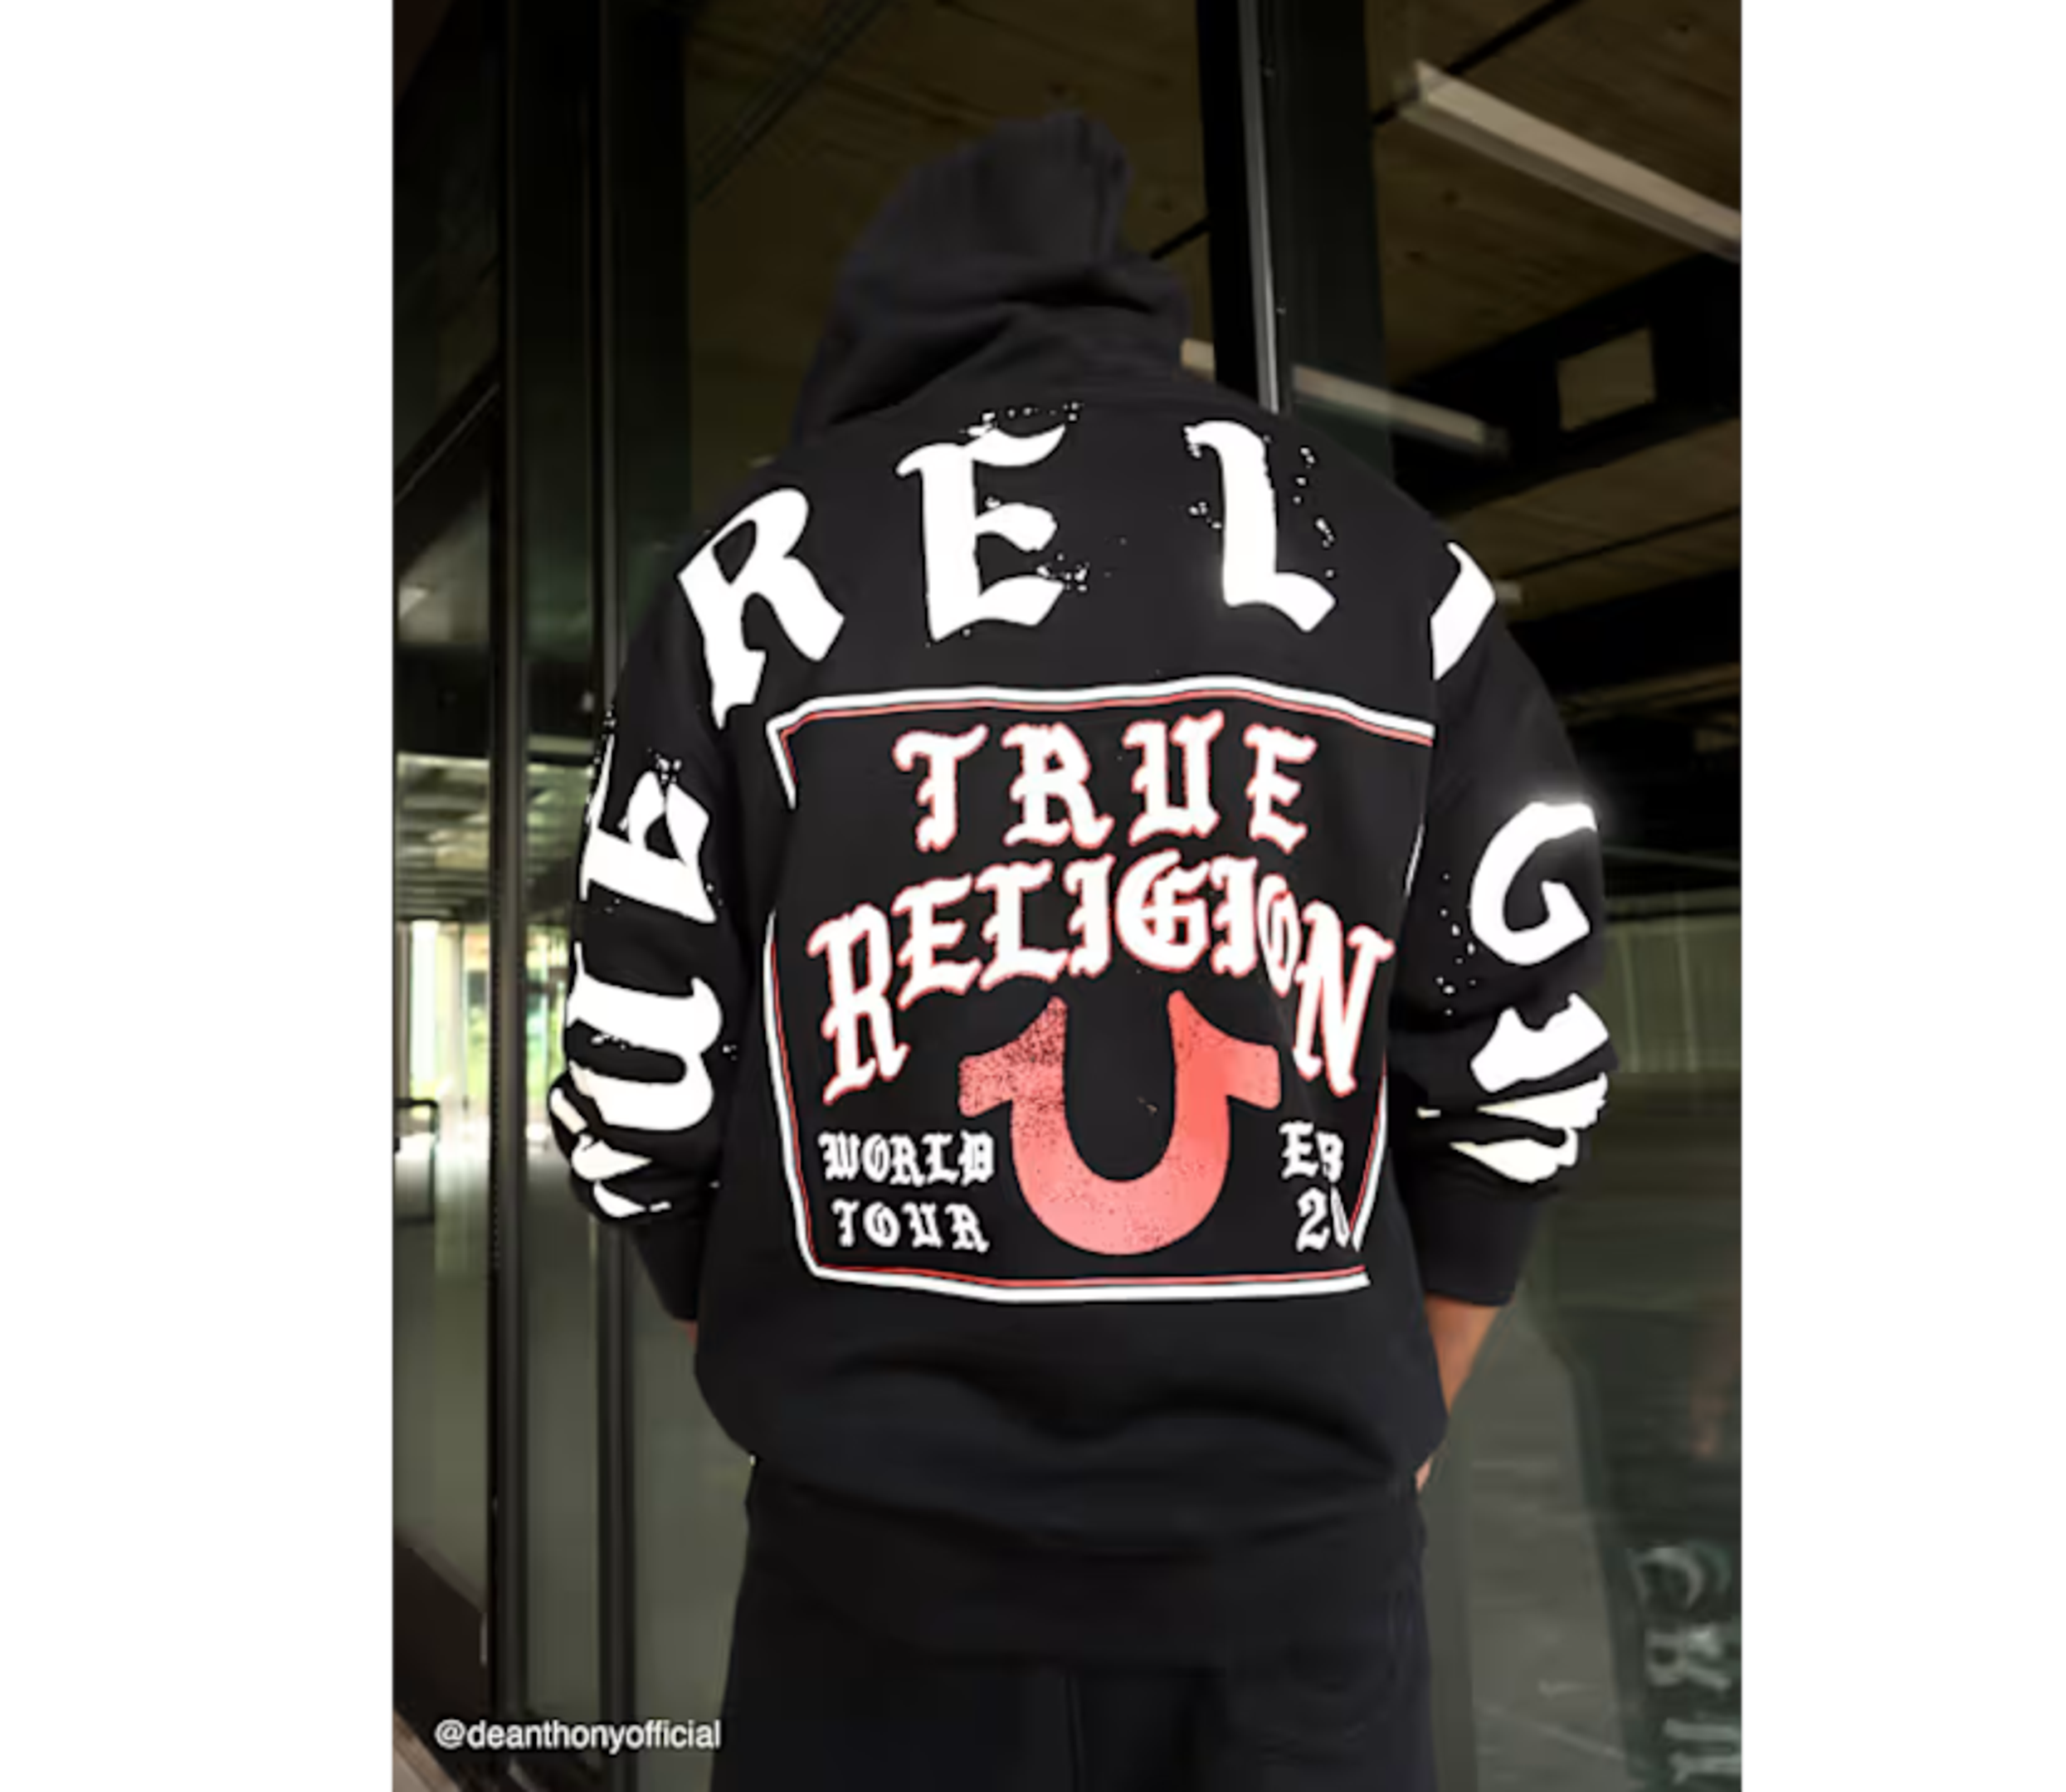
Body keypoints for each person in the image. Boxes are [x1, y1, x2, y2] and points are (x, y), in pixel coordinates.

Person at [548, 111, 1613, 1792]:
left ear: (878, 334)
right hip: (1298, 1604)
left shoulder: (745, 576)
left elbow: (633, 1078)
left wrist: (790, 1382)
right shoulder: (1396, 562)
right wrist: (1379, 1432)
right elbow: (1523, 1048)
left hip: (868, 1606)